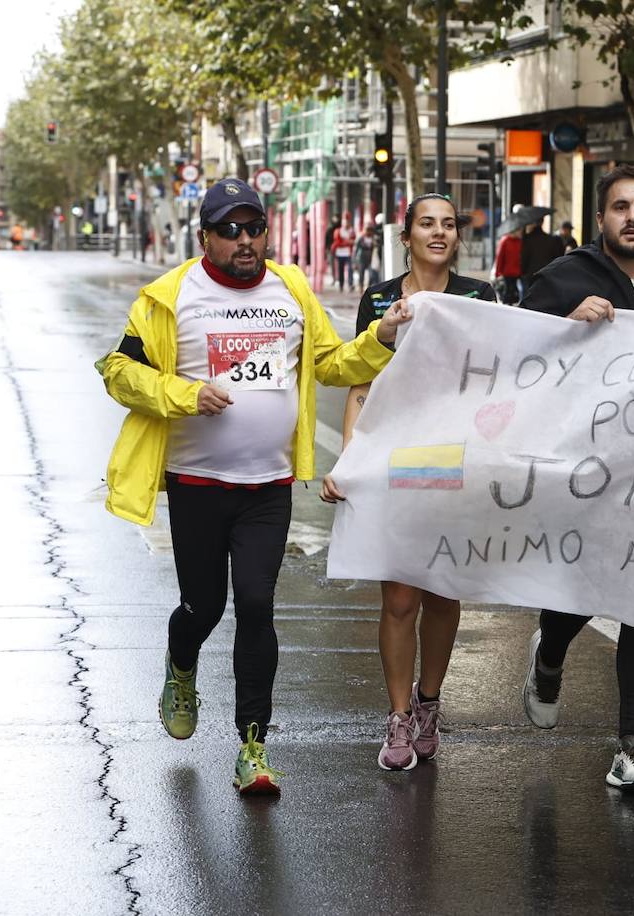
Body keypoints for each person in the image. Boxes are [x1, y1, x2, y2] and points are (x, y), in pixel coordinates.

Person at [97, 179, 411, 796]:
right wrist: (183, 394)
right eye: (230, 230)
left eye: (254, 228)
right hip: (197, 484)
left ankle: (252, 745)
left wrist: (380, 340)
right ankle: (181, 658)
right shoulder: (170, 296)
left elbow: (328, 365)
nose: (245, 241)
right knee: (204, 607)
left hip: (266, 487)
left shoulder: (290, 289)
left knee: (258, 605)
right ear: (205, 237)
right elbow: (118, 371)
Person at [520, 163, 634, 795]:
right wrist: (565, 321)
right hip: (588, 466)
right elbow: (514, 349)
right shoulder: (565, 277)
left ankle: (632, 746)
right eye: (620, 207)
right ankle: (551, 652)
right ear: (601, 218)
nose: (633, 218)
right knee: (586, 585)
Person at [321, 193, 497, 771]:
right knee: (399, 597)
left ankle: (429, 701)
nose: (439, 233)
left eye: (449, 223)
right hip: (396, 462)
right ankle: (398, 717)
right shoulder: (378, 298)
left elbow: (507, 370)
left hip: (458, 462)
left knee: (444, 592)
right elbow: (360, 382)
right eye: (428, 223)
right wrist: (349, 461)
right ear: (408, 235)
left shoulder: (480, 297)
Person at [520, 217, 564, 282]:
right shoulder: (552, 240)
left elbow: (524, 258)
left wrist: (522, 272)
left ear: (533, 223)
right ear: (542, 222)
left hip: (531, 276)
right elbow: (557, 257)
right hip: (547, 274)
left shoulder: (527, 239)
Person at [493, 223, 523, 305]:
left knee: (516, 293)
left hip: (518, 272)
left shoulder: (520, 241)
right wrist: (497, 273)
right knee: (508, 292)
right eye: (519, 230)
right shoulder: (505, 240)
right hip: (507, 272)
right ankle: (507, 308)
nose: (520, 232)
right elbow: (500, 257)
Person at [331, 214, 357, 291]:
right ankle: (341, 285)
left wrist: (344, 242)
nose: (346, 223)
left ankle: (350, 284)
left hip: (348, 253)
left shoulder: (351, 231)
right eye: (344, 222)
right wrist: (347, 242)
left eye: (347, 221)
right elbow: (337, 242)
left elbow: (353, 241)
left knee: (350, 269)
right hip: (339, 253)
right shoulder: (338, 231)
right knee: (340, 270)